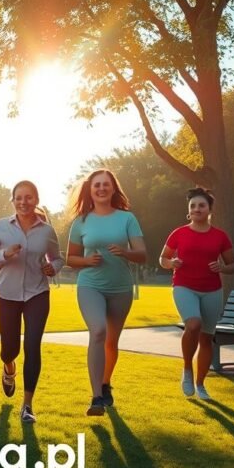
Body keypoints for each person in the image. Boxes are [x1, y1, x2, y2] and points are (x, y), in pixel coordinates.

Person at [0, 181, 63, 423]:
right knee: (9, 350)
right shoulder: (1, 226)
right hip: (8, 294)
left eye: (28, 197)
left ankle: (27, 405)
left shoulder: (46, 231)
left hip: (38, 293)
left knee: (32, 346)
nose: (23, 202)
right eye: (19, 198)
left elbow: (58, 258)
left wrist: (53, 267)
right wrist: (3, 255)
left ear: (36, 200)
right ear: (13, 200)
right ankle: (9, 368)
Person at [66, 169, 147, 416]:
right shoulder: (81, 221)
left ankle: (105, 383)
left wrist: (125, 253)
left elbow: (142, 255)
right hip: (90, 285)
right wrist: (86, 261)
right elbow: (70, 258)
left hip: (121, 288)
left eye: (105, 184)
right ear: (90, 191)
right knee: (98, 331)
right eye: (97, 185)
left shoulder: (127, 218)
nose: (101, 188)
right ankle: (96, 398)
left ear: (113, 188)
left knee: (111, 342)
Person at [159, 188, 234, 401]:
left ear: (209, 210)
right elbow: (163, 258)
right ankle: (187, 368)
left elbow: (233, 265)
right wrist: (171, 263)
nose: (197, 209)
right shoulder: (179, 233)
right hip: (184, 286)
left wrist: (222, 267)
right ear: (189, 210)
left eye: (201, 205)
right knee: (193, 324)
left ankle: (201, 385)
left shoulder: (220, 236)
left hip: (212, 290)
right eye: (193, 206)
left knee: (206, 338)